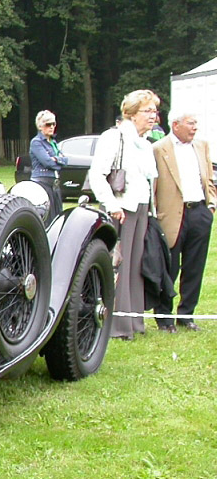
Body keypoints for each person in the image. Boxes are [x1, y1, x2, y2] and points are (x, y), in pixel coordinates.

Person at [87, 89, 160, 340]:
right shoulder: (114, 137)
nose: (153, 116)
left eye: (154, 111)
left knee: (136, 266)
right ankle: (116, 325)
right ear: (131, 113)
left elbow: (146, 180)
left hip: (140, 208)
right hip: (120, 209)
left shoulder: (145, 142)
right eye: (147, 111)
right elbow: (97, 174)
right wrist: (111, 204)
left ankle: (133, 321)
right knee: (117, 265)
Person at [152, 110, 216, 332]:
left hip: (199, 212)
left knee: (195, 267)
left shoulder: (202, 146)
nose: (194, 127)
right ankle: (164, 318)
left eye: (196, 123)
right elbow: (155, 185)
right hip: (171, 215)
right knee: (169, 268)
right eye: (190, 123)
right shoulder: (159, 149)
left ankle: (186, 315)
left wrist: (211, 205)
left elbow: (208, 177)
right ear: (176, 124)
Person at [29, 110, 66, 221]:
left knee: (58, 217)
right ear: (40, 126)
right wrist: (58, 161)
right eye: (48, 124)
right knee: (47, 218)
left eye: (53, 124)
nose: (51, 127)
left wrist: (56, 160)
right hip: (42, 183)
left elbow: (65, 160)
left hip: (54, 185)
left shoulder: (53, 142)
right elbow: (47, 162)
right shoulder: (36, 142)